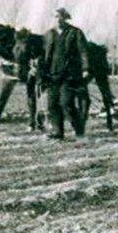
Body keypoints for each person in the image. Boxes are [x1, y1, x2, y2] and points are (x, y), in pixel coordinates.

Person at [45, 8, 88, 139]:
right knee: (52, 105)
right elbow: (43, 54)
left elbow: (83, 52)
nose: (57, 19)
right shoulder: (49, 34)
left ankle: (79, 132)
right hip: (52, 74)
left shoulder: (75, 33)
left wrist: (86, 68)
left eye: (59, 16)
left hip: (69, 75)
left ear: (65, 18)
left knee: (66, 103)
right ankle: (58, 133)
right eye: (54, 16)